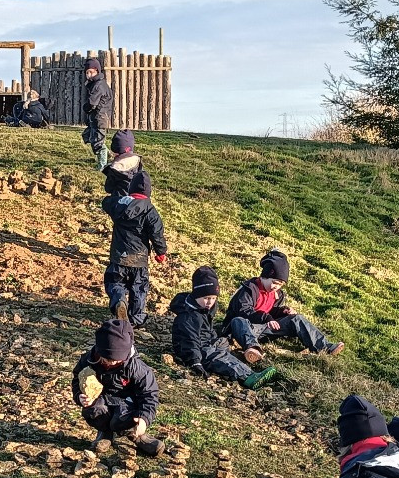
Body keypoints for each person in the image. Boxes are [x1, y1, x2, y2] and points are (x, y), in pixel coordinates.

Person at [222, 249, 344, 362]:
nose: (276, 287)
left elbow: (270, 311)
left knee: (296, 318)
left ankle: (325, 347)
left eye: (280, 285)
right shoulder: (249, 289)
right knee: (238, 320)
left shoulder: (277, 294)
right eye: (274, 282)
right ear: (264, 276)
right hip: (243, 329)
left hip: (265, 329)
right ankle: (253, 349)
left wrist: (282, 311)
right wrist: (266, 318)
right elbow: (243, 310)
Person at [169, 266, 278, 389]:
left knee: (222, 343)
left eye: (213, 298)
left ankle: (238, 359)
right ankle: (248, 377)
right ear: (196, 295)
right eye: (206, 298)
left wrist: (214, 339)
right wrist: (195, 362)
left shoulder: (205, 307)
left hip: (206, 341)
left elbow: (207, 329)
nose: (210, 302)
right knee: (217, 356)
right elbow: (190, 341)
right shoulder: (188, 317)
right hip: (194, 348)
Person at [72, 318, 163, 456]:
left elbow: (149, 394)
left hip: (128, 403)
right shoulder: (90, 360)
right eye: (107, 359)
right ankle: (104, 432)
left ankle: (137, 435)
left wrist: (144, 418)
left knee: (120, 418)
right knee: (94, 410)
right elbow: (77, 378)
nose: (111, 362)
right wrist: (79, 395)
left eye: (116, 359)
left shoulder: (137, 368)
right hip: (103, 399)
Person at [101, 172, 167, 327]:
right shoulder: (150, 210)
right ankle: (136, 318)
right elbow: (157, 233)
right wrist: (161, 252)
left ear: (131, 189)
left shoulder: (119, 204)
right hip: (139, 258)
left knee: (115, 282)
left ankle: (119, 301)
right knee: (139, 288)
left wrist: (119, 195)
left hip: (119, 256)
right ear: (148, 192)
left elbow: (106, 202)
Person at [82, 58, 113, 170]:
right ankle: (108, 155)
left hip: (100, 117)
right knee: (87, 136)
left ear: (97, 72)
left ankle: (102, 165)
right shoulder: (96, 84)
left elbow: (92, 103)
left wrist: (85, 108)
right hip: (97, 116)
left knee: (97, 141)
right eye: (87, 72)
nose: (89, 75)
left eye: (91, 72)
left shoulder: (99, 85)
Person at [103, 129, 145, 196]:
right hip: (135, 200)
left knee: (106, 202)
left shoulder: (114, 168)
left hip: (118, 201)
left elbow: (108, 188)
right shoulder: (137, 161)